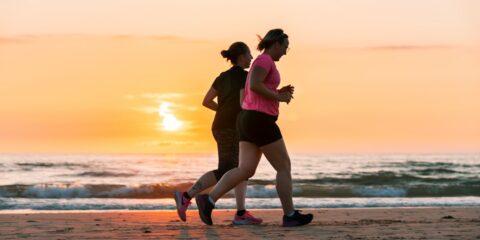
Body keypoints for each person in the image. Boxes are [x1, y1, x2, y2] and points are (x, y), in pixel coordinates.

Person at [195, 29, 314, 227]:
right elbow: (256, 86)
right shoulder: (265, 61)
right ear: (275, 43)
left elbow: (255, 91)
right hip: (260, 121)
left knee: (245, 169)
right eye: (285, 47)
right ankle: (290, 215)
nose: (285, 52)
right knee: (283, 166)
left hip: (247, 120)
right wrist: (279, 97)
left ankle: (208, 200)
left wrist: (276, 91)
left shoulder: (260, 62)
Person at [174, 42, 262, 225]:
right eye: (249, 55)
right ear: (241, 56)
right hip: (231, 127)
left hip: (220, 125)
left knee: (240, 168)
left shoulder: (221, 77)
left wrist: (222, 110)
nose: (251, 58)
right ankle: (186, 195)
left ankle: (241, 213)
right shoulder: (244, 77)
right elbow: (241, 103)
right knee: (228, 169)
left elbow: (206, 101)